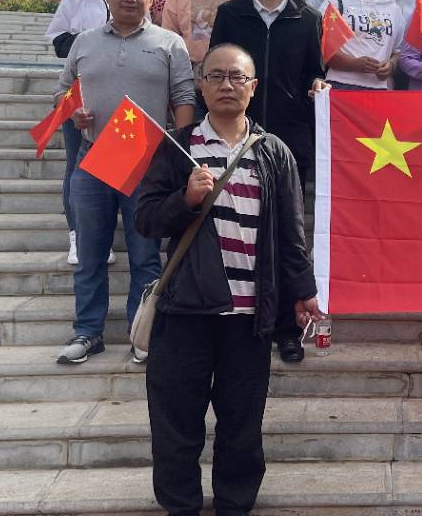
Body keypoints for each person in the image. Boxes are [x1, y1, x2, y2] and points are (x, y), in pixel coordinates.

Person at [135, 43, 322, 516]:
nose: (226, 85)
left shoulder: (273, 152)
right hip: (185, 313)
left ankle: (235, 505)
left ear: (252, 87)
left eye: (236, 77)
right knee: (176, 423)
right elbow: (145, 219)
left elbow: (291, 234)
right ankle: (180, 505)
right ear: (200, 85)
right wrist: (185, 200)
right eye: (215, 76)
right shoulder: (178, 147)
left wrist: (303, 292)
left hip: (249, 317)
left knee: (242, 423)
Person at [54, 0, 195, 366]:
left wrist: (179, 152)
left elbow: (184, 97)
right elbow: (62, 91)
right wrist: (72, 111)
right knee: (90, 253)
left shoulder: (169, 43)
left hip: (147, 162)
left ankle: (141, 331)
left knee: (145, 256)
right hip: (93, 158)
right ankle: (87, 332)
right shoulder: (85, 41)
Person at [209, 0, 327, 190]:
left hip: (290, 132)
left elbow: (315, 71)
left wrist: (317, 83)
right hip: (237, 128)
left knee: (288, 208)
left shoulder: (308, 18)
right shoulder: (230, 14)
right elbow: (215, 68)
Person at [45, 0, 131, 266]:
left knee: (117, 165)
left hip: (124, 90)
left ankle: (106, 233)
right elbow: (57, 39)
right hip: (81, 89)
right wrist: (92, 42)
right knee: (77, 163)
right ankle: (78, 235)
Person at [323, 0, 404, 90]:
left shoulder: (393, 8)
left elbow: (398, 51)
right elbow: (322, 48)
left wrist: (391, 65)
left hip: (380, 90)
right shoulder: (334, 3)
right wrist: (353, 64)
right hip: (341, 86)